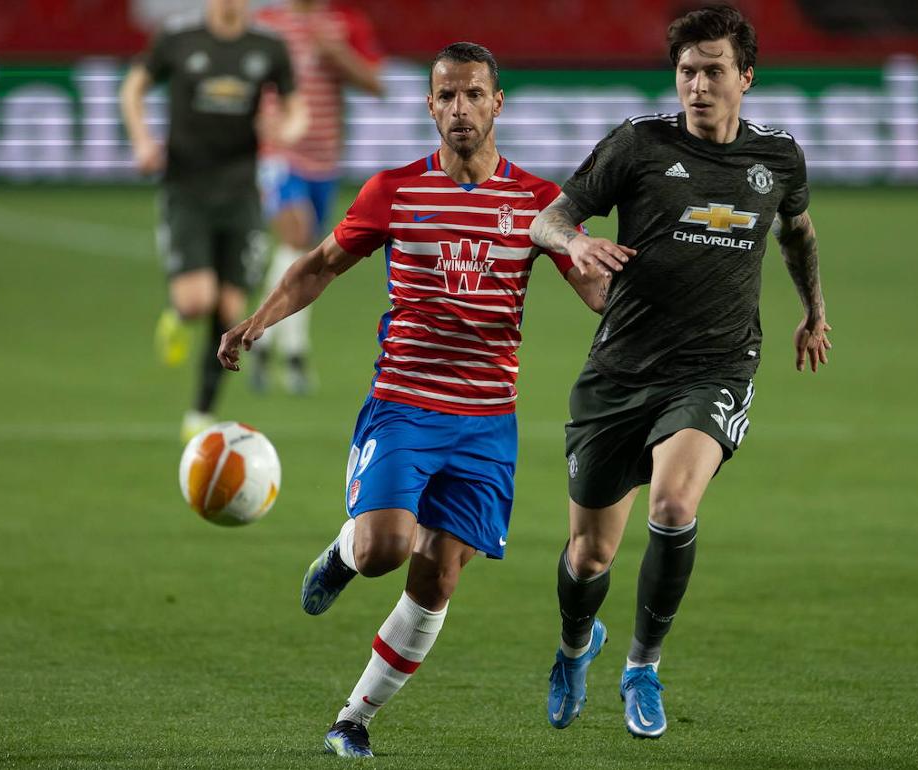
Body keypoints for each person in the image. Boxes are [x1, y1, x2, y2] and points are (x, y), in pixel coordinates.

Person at [218, 42, 602, 758]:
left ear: (498, 103)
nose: (461, 108)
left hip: (488, 422)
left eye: (474, 94)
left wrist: (635, 293)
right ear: (430, 106)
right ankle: (342, 552)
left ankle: (352, 719)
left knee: (439, 574)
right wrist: (258, 322)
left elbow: (592, 289)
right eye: (446, 96)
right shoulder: (393, 190)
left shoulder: (538, 202)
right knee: (384, 549)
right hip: (406, 403)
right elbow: (321, 264)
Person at [529, 4, 832, 740]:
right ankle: (575, 646)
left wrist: (813, 310)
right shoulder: (636, 145)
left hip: (715, 368)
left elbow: (798, 232)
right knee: (589, 554)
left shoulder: (780, 160)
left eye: (714, 71)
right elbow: (548, 219)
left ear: (746, 78)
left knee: (671, 506)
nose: (698, 85)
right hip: (620, 369)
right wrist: (574, 246)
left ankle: (643, 666)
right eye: (687, 71)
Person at [120, 0, 308, 442]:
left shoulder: (268, 47)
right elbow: (133, 87)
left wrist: (287, 129)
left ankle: (200, 413)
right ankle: (178, 317)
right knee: (196, 301)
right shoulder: (179, 38)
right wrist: (143, 141)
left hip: (242, 192)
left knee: (231, 314)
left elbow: (296, 108)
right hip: (186, 188)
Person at [250, 0, 385, 395]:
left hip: (324, 159)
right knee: (298, 235)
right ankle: (293, 351)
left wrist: (336, 53)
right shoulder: (268, 24)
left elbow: (376, 82)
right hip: (279, 154)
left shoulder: (344, 24)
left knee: (305, 251)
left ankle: (264, 342)